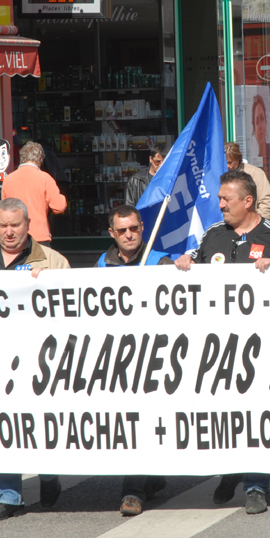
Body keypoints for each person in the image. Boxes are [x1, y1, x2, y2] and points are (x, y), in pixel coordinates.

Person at [175, 169, 270, 514]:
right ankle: (231, 469)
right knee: (226, 413)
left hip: (263, 346)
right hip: (217, 347)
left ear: (248, 201)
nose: (219, 205)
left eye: (225, 199)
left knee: (259, 413)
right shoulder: (213, 235)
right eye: (219, 198)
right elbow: (195, 277)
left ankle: (256, 486)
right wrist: (186, 264)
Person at [0, 198, 70, 522]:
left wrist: (47, 285)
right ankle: (9, 495)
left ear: (28, 224)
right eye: (2, 226)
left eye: (16, 225)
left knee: (41, 422)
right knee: (0, 426)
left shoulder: (53, 262)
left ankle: (49, 475)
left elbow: (71, 310)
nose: (9, 232)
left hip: (39, 359)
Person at [95, 204, 171, 514]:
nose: (129, 235)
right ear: (112, 233)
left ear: (142, 227)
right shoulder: (103, 264)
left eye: (134, 228)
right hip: (119, 359)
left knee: (141, 421)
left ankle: (133, 491)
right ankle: (151, 478)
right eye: (122, 230)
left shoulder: (160, 262)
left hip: (156, 358)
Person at [0, 142, 67, 246]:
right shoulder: (45, 178)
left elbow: (4, 209)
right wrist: (62, 196)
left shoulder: (8, 179)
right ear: (40, 158)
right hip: (39, 236)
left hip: (14, 236)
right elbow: (59, 207)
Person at [225, 142, 270, 222]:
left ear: (239, 160)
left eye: (230, 162)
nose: (228, 166)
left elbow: (267, 202)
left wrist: (254, 223)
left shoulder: (255, 173)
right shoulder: (215, 175)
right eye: (225, 162)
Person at [124, 142, 168, 208]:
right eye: (157, 161)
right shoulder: (135, 180)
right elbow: (129, 208)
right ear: (151, 159)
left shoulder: (170, 179)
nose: (161, 165)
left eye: (164, 162)